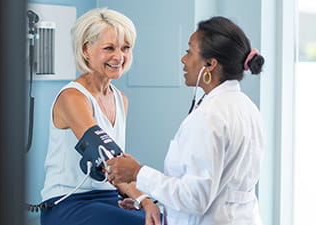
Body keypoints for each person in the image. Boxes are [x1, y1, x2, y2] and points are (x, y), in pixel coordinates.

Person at [107, 16, 265, 225]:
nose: (183, 59)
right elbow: (219, 192)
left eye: (189, 51)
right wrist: (158, 204)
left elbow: (195, 198)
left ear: (209, 64)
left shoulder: (210, 116)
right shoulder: (246, 107)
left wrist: (138, 172)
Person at [40, 8, 161, 225]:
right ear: (86, 49)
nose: (119, 56)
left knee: (166, 219)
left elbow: (119, 164)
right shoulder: (73, 97)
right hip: (69, 202)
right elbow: (104, 157)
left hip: (109, 198)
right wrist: (144, 199)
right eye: (109, 48)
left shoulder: (121, 99)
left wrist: (137, 198)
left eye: (126, 48)